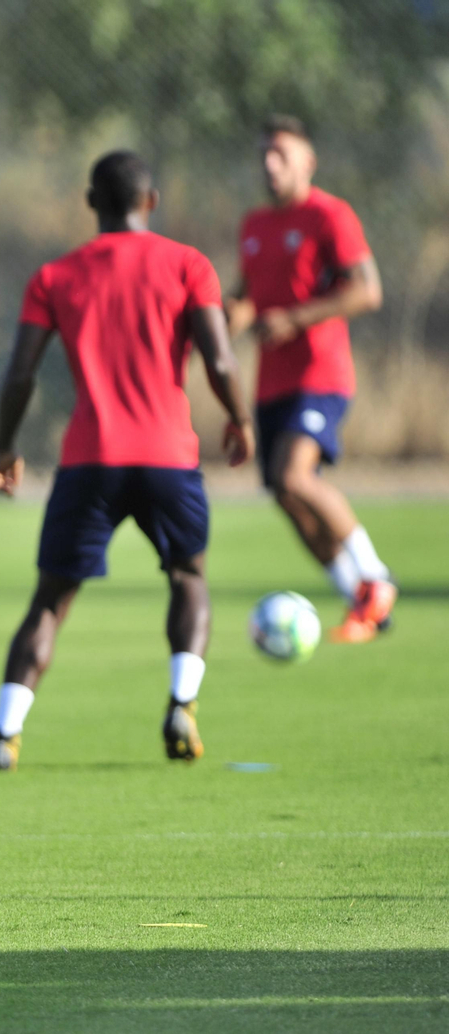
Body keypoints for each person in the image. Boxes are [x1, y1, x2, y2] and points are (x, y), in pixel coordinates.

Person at [0, 151, 255, 772]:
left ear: (90, 203)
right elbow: (221, 361)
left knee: (50, 600)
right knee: (188, 576)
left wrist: (5, 445)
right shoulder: (188, 265)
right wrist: (239, 419)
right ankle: (183, 701)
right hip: (168, 458)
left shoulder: (56, 276)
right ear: (150, 201)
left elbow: (19, 373)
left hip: (90, 459)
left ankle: (4, 735)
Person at [228, 115, 393, 643]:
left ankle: (376, 579)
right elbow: (247, 296)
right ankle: (359, 601)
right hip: (270, 382)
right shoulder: (254, 225)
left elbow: (367, 291)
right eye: (264, 155)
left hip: (320, 373)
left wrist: (295, 318)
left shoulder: (329, 215)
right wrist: (227, 317)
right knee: (283, 491)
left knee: (297, 476)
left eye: (281, 154)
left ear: (307, 161)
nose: (270, 164)